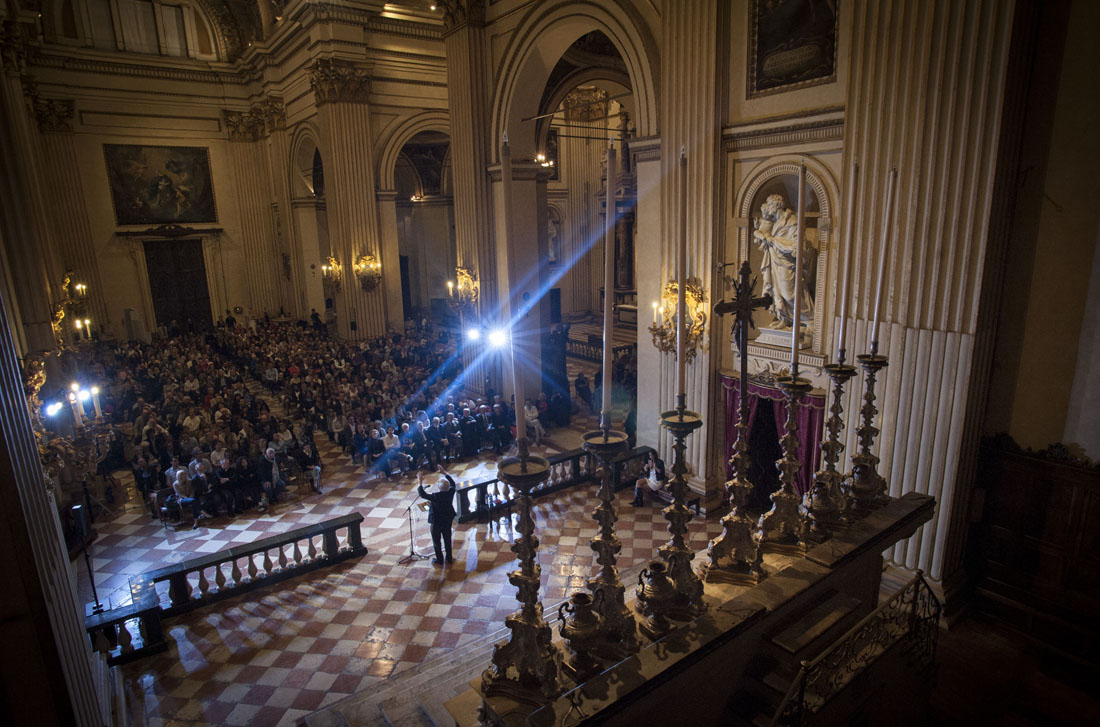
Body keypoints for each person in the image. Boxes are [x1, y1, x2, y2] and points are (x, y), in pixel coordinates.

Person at [752, 193, 815, 327]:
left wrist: (774, 241)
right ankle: (785, 319)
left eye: (769, 204)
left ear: (776, 205)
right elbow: (759, 238)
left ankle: (809, 319)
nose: (767, 208)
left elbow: (799, 245)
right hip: (774, 261)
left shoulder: (792, 222)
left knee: (789, 294)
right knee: (777, 293)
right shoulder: (773, 223)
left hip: (787, 263)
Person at [417, 465, 457, 565]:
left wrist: (419, 481)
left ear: (439, 488)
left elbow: (422, 494)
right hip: (447, 519)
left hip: (437, 522)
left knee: (436, 542)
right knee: (447, 539)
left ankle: (439, 560)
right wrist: (444, 472)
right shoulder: (451, 492)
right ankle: (449, 558)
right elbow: (453, 483)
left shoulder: (436, 496)